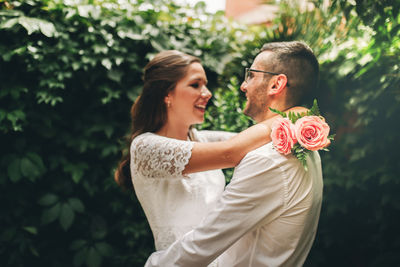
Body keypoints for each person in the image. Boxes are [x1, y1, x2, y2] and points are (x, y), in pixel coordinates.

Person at [114, 50, 306, 267]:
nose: (207, 93)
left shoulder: (201, 139)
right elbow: (231, 152)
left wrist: (301, 127)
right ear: (166, 94)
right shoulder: (145, 146)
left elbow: (257, 143)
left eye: (205, 85)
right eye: (195, 85)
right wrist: (291, 115)